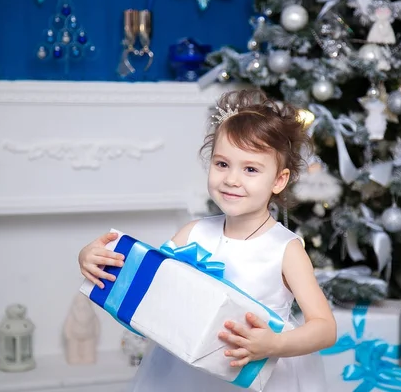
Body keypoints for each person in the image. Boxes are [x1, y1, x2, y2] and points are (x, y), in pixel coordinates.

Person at [78, 89, 336, 391]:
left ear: (279, 180)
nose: (231, 179)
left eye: (250, 169)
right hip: (183, 372)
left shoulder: (285, 250)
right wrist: (90, 256)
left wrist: (274, 343)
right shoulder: (191, 233)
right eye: (222, 164)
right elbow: (149, 290)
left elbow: (325, 328)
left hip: (252, 375)